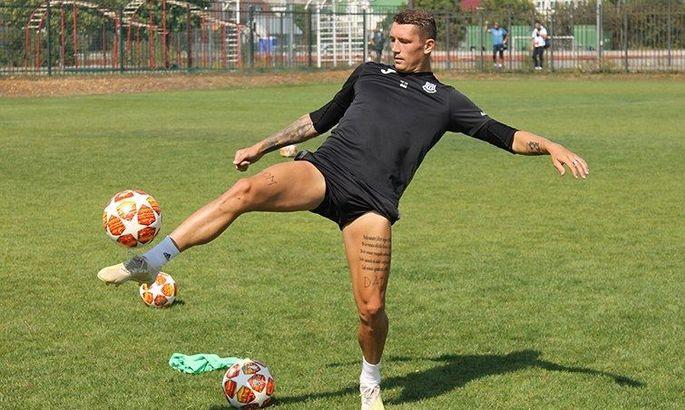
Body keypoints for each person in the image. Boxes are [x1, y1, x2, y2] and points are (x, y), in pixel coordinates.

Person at [98, 9, 589, 410]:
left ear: (428, 46)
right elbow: (320, 118)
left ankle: (369, 383)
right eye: (391, 39)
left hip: (372, 206)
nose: (394, 47)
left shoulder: (446, 102)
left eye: (404, 42)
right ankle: (151, 261)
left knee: (371, 309)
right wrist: (263, 146)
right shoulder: (369, 74)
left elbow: (503, 135)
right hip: (326, 172)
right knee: (244, 192)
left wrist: (550, 144)